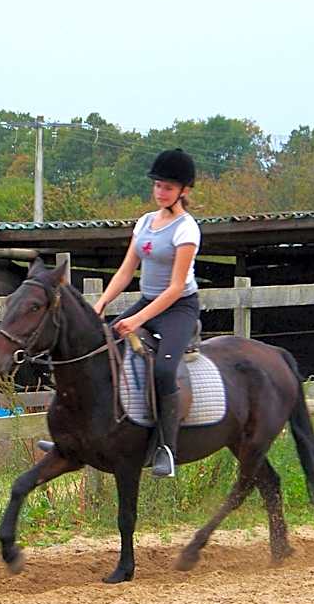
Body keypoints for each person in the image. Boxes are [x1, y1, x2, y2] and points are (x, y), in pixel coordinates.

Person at [38, 148, 201, 478]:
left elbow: (174, 288)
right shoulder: (145, 222)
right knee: (99, 350)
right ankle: (76, 437)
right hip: (147, 301)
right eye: (157, 185)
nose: (160, 192)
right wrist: (100, 305)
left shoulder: (187, 229)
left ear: (184, 190)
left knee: (164, 371)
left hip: (178, 309)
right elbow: (127, 271)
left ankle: (166, 448)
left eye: (168, 187)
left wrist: (138, 320)